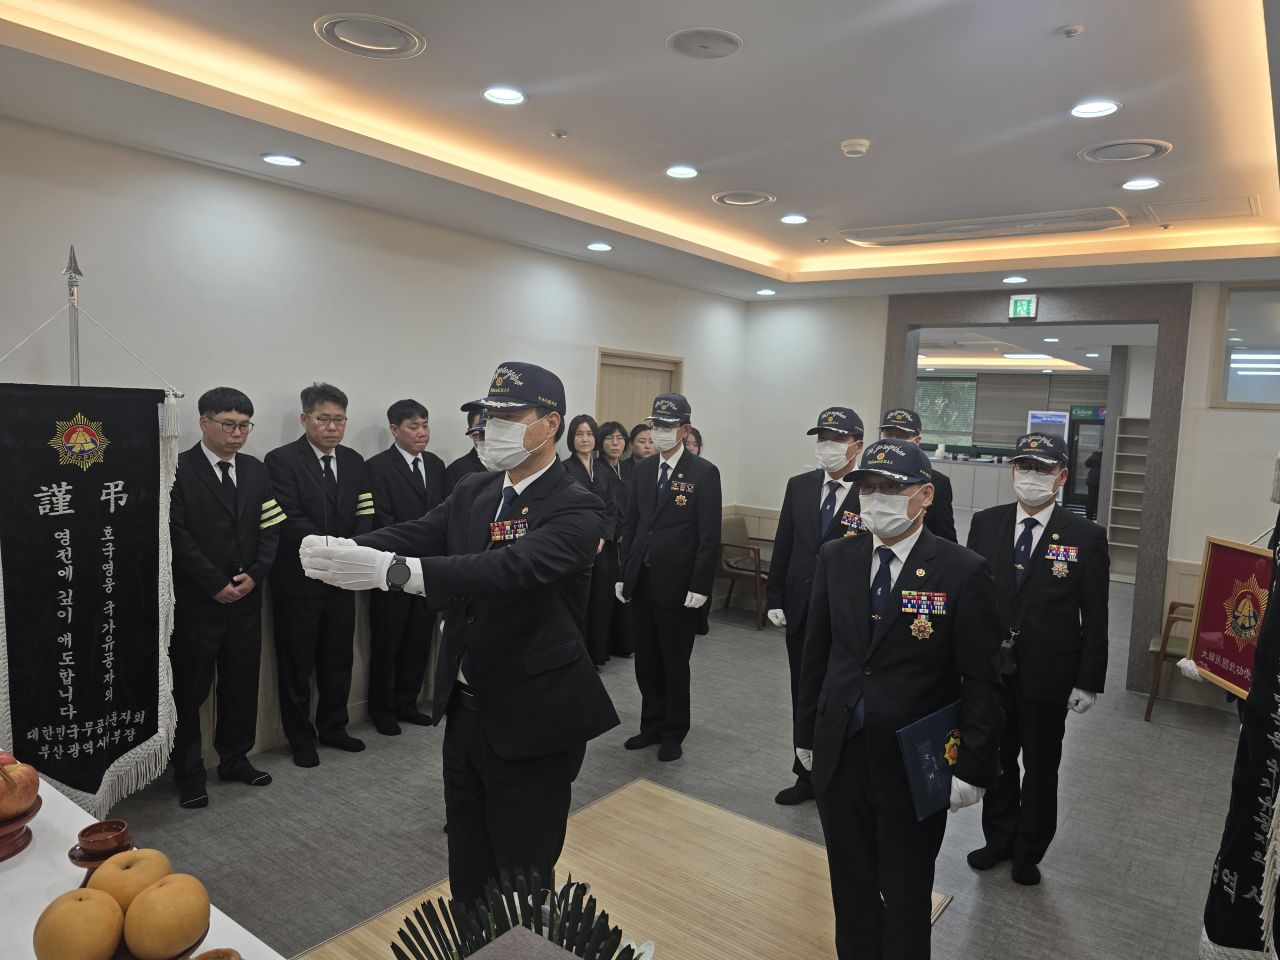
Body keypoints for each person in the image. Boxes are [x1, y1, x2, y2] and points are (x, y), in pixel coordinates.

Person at [300, 361, 619, 908]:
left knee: (522, 873)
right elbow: (423, 532)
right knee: (468, 859)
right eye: (489, 416)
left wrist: (395, 573)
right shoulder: (476, 488)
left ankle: (521, 944)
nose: (492, 428)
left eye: (509, 416)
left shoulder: (578, 505)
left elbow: (509, 568)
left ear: (550, 424)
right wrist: (348, 548)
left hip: (534, 712)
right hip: (467, 706)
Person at [795, 439, 1003, 960]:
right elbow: (815, 656)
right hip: (841, 752)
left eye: (891, 487)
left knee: (907, 891)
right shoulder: (837, 556)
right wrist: (806, 737)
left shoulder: (962, 569)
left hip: (915, 762)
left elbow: (982, 679)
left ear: (925, 495)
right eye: (868, 487)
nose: (875, 498)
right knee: (851, 886)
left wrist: (973, 766)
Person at [964, 432, 1108, 886]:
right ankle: (998, 838)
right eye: (1024, 467)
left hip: (1050, 671)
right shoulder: (987, 523)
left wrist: (1088, 680)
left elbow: (1095, 615)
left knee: (1041, 765)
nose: (1031, 476)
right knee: (997, 758)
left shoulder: (1085, 535)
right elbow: (972, 600)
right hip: (993, 669)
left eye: (1042, 469)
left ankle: (1029, 849)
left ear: (1061, 477)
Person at [168, 387, 281, 809]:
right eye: (229, 425)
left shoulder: (256, 470)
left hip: (247, 598)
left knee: (240, 684)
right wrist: (215, 582)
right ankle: (188, 773)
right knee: (190, 690)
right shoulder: (178, 469)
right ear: (203, 422)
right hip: (198, 602)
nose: (237, 434)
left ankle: (235, 759)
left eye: (244, 426)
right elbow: (175, 535)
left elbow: (272, 526)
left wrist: (255, 574)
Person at [266, 382, 375, 767]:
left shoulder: (354, 461)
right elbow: (288, 516)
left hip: (343, 577)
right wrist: (332, 549)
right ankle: (300, 738)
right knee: (297, 662)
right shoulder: (281, 460)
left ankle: (333, 726)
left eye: (339, 420)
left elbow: (365, 510)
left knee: (337, 657)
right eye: (323, 419)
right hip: (299, 579)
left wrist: (353, 549)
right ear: (304, 419)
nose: (332, 427)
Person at [765, 407, 865, 806]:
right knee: (803, 692)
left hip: (848, 614)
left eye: (837, 440)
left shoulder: (870, 491)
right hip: (802, 607)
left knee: (841, 697)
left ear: (857, 446)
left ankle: (837, 775)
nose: (827, 446)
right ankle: (804, 772)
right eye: (822, 439)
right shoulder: (800, 485)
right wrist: (774, 595)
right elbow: (785, 542)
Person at [616, 394, 722, 762]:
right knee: (645, 660)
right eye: (655, 425)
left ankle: (674, 731)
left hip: (679, 585)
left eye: (666, 426)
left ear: (685, 429)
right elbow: (632, 525)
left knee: (674, 662)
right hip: (643, 579)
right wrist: (624, 573)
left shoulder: (703, 472)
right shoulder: (644, 469)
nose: (659, 432)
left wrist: (700, 585)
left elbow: (709, 536)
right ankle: (650, 725)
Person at [365, 399, 447, 735]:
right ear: (394, 430)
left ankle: (407, 703)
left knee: (419, 639)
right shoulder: (377, 467)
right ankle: (382, 709)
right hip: (393, 567)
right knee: (389, 641)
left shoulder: (436, 464)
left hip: (429, 568)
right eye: (414, 427)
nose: (422, 432)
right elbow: (383, 521)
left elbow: (444, 515)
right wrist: (413, 553)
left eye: (425, 425)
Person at [562, 413, 619, 665]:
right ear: (571, 438)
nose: (585, 439)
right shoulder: (564, 468)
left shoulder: (604, 471)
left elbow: (611, 508)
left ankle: (598, 653)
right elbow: (566, 508)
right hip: (576, 546)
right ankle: (579, 657)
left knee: (601, 599)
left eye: (589, 434)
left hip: (601, 547)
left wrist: (604, 537)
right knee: (579, 601)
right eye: (579, 434)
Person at [879, 409, 956, 542]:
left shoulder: (936, 482)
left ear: (917, 440)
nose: (893, 441)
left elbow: (946, 537)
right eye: (888, 435)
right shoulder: (866, 477)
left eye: (901, 436)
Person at [598, 421, 635, 658]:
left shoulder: (630, 469)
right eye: (610, 438)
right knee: (607, 593)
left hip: (629, 539)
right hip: (610, 541)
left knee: (627, 591)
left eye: (620, 438)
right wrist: (616, 532)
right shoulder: (598, 469)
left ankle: (625, 643)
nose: (615, 443)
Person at [445, 410, 486, 494]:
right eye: (479, 426)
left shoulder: (508, 463)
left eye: (489, 425)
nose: (484, 431)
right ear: (470, 433)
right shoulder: (457, 470)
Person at [1084, 445, 1102, 521]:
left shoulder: (1096, 455)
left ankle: (1089, 517)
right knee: (1099, 499)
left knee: (1091, 500)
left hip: (1093, 481)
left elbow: (1086, 463)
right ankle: (1099, 517)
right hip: (1101, 481)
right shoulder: (1108, 456)